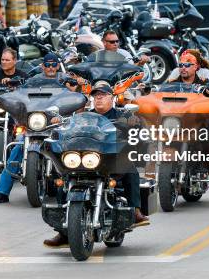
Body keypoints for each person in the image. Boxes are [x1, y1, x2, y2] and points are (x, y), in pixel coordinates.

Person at [43, 82, 149, 248]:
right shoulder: (83, 117)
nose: (98, 98)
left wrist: (134, 124)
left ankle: (135, 210)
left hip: (110, 160)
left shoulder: (123, 114)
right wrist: (59, 122)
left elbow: (139, 132)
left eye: (103, 95)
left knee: (129, 168)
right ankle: (64, 231)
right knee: (62, 180)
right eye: (95, 95)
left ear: (112, 97)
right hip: (87, 160)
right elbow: (69, 130)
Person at [0, 53, 64, 203]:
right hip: (35, 123)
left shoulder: (64, 80)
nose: (50, 67)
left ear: (57, 65)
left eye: (53, 64)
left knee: (66, 150)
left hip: (56, 124)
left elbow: (73, 97)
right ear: (43, 66)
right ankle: (3, 192)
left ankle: (67, 190)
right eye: (47, 65)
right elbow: (22, 94)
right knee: (18, 148)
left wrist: (76, 84)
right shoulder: (34, 80)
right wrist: (15, 88)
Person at [166, 50, 209, 207]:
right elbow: (158, 96)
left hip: (199, 124)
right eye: (181, 64)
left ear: (196, 67)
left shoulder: (203, 83)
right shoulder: (171, 83)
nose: (184, 68)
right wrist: (148, 91)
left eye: (188, 65)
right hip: (176, 124)